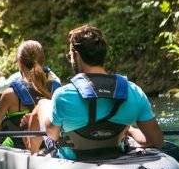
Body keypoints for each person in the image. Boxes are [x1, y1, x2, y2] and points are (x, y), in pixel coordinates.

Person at [29, 24, 163, 160]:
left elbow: (52, 134)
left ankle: (32, 154)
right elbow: (156, 141)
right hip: (116, 154)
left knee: (43, 103)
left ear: (76, 55)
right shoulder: (134, 91)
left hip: (74, 160)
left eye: (69, 55)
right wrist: (131, 131)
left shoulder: (63, 95)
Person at [0, 40, 61, 152]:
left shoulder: (10, 94)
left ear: (19, 63)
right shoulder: (57, 89)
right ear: (43, 60)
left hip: (19, 147)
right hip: (48, 146)